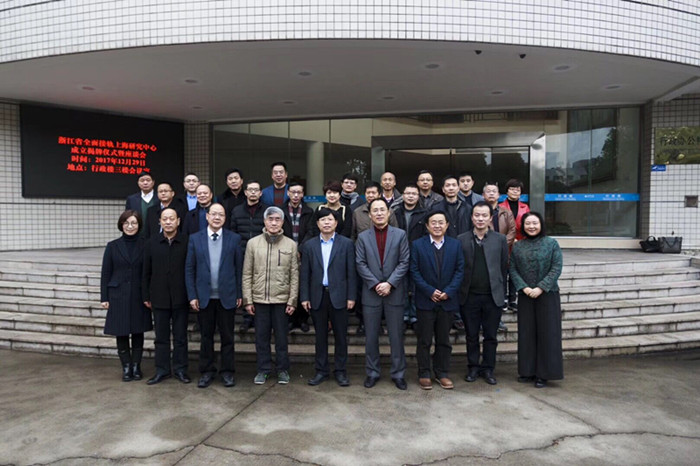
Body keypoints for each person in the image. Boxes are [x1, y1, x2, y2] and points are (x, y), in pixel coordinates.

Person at [185, 203, 243, 388]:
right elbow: (189, 269)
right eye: (214, 214)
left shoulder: (234, 239)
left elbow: (239, 269)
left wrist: (239, 293)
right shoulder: (195, 239)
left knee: (228, 337)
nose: (217, 217)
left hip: (227, 296)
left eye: (221, 215)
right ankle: (206, 371)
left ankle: (227, 372)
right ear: (207, 216)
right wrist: (192, 295)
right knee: (206, 337)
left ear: (225, 218)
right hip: (204, 297)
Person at [356, 198, 410, 390]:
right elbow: (360, 263)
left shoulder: (400, 234)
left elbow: (404, 261)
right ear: (370, 215)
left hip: (394, 292)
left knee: (396, 337)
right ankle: (372, 372)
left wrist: (390, 283)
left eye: (382, 210)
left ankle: (398, 374)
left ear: (389, 213)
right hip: (371, 294)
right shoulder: (363, 237)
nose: (379, 213)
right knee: (371, 337)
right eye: (375, 211)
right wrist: (376, 284)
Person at [300, 208, 357, 387]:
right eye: (323, 220)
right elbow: (305, 274)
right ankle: (321, 371)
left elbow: (351, 273)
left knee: (341, 336)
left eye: (330, 219)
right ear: (317, 224)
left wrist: (351, 296)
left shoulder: (347, 244)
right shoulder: (309, 245)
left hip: (340, 296)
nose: (326, 223)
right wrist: (304, 297)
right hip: (317, 296)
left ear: (336, 223)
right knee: (320, 337)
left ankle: (340, 371)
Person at [243, 206, 299, 385]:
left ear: (282, 222)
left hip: (281, 299)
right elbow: (247, 273)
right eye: (270, 219)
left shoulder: (290, 244)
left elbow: (294, 275)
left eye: (277, 219)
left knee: (282, 338)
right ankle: (263, 369)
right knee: (261, 338)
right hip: (260, 299)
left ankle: (282, 369)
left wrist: (292, 300)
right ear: (265, 221)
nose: (274, 223)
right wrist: (248, 300)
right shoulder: (253, 243)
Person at [410, 210, 464, 390]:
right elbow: (414, 271)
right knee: (424, 340)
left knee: (444, 340)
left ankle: (442, 373)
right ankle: (424, 373)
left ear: (447, 225)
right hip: (426, 300)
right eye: (433, 222)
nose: (437, 226)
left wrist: (448, 291)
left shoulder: (455, 245)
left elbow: (460, 270)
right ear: (427, 226)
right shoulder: (417, 245)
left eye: (441, 222)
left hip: (447, 301)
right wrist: (429, 291)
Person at [509, 212, 563, 389]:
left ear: (541, 225)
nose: (531, 226)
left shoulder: (551, 244)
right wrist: (523, 287)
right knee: (527, 333)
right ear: (522, 226)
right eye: (528, 223)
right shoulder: (518, 246)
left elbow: (556, 268)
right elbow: (512, 269)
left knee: (547, 334)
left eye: (535, 223)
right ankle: (527, 371)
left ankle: (544, 374)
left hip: (547, 294)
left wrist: (541, 287)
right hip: (526, 295)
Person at [457, 202, 509, 385]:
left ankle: (488, 368)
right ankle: (472, 367)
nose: (480, 219)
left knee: (490, 336)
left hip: (492, 297)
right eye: (477, 215)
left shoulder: (500, 240)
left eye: (484, 215)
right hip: (469, 296)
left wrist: (504, 295)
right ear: (472, 218)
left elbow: (503, 268)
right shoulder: (461, 239)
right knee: (471, 335)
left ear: (490, 218)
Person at [100, 210, 152, 382]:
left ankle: (136, 366)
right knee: (121, 332)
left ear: (139, 225)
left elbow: (149, 271)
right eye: (127, 223)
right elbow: (106, 273)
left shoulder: (146, 245)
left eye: (134, 223)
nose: (130, 226)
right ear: (121, 225)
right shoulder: (112, 246)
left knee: (138, 332)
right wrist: (104, 297)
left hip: (139, 294)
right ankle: (126, 366)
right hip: (118, 294)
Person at [142, 208, 190, 385]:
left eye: (172, 218)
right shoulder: (151, 243)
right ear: (160, 222)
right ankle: (161, 370)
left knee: (180, 337)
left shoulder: (186, 241)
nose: (168, 222)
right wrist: (146, 295)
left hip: (181, 297)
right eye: (165, 219)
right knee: (161, 338)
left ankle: (180, 369)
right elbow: (145, 272)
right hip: (159, 297)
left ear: (178, 221)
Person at [230, 180, 269, 334]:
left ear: (260, 193)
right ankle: (246, 318)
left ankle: (258, 317)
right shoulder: (237, 210)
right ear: (245, 192)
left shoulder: (267, 210)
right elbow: (233, 232)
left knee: (260, 283)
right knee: (245, 283)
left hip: (262, 252)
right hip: (242, 252)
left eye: (256, 190)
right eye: (250, 190)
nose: (253, 192)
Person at [483, 181, 516, 331]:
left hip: (503, 252)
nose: (491, 193)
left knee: (500, 285)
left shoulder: (506, 212)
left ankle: (498, 319)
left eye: (494, 191)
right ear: (483, 195)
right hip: (485, 252)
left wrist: (501, 244)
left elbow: (512, 231)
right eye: (488, 191)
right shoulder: (479, 211)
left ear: (499, 195)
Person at [393, 183, 427, 329]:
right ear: (403, 196)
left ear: (418, 196)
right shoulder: (396, 212)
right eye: (408, 194)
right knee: (402, 285)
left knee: (415, 285)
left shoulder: (424, 213)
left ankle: (414, 315)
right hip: (398, 254)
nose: (411, 196)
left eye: (414, 194)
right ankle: (404, 314)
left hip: (417, 254)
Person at [282, 181, 314, 333]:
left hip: (303, 253)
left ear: (303, 194)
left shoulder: (308, 211)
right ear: (288, 193)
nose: (295, 195)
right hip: (284, 253)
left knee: (302, 286)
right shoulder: (281, 211)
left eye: (299, 192)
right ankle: (290, 319)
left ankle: (302, 319)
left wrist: (300, 249)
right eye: (293, 192)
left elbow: (311, 231)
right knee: (287, 286)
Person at [499, 178, 530, 311]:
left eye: (517, 190)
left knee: (515, 271)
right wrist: (510, 239)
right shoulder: (500, 207)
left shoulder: (525, 207)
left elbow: (527, 224)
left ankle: (513, 298)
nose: (515, 192)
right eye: (512, 189)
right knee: (503, 271)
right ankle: (503, 298)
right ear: (507, 191)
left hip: (520, 243)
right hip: (505, 242)